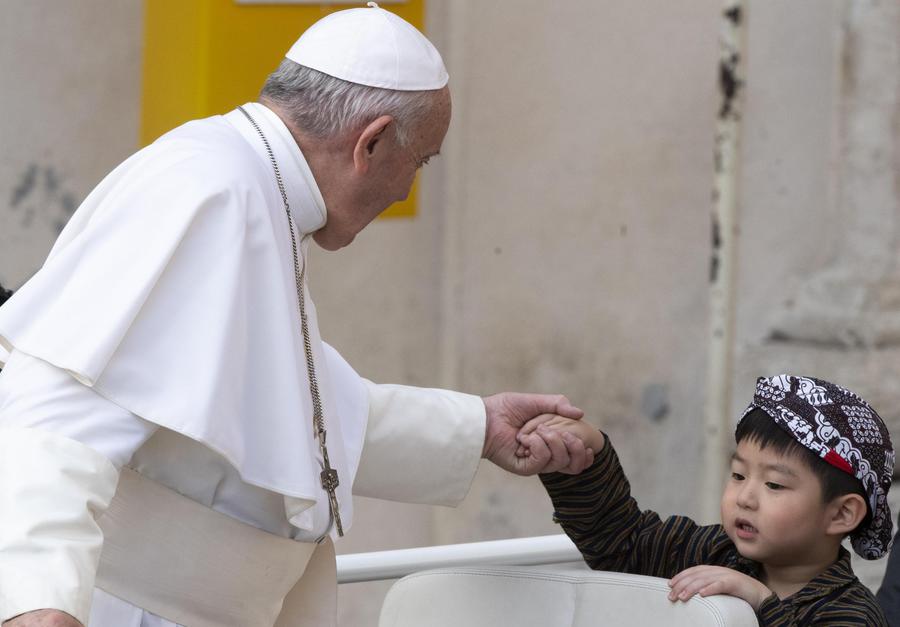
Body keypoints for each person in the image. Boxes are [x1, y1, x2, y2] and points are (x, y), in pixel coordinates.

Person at [0, 5, 594, 627]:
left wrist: (478, 428)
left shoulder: (260, 191)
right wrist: (40, 608)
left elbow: (297, 412)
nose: (404, 193)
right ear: (371, 142)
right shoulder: (210, 190)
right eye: (418, 162)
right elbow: (52, 411)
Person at [521, 374, 895, 625]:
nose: (745, 498)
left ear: (842, 513)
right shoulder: (711, 551)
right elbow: (623, 543)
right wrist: (583, 459)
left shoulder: (854, 613)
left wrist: (761, 604)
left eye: (774, 485)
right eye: (738, 475)